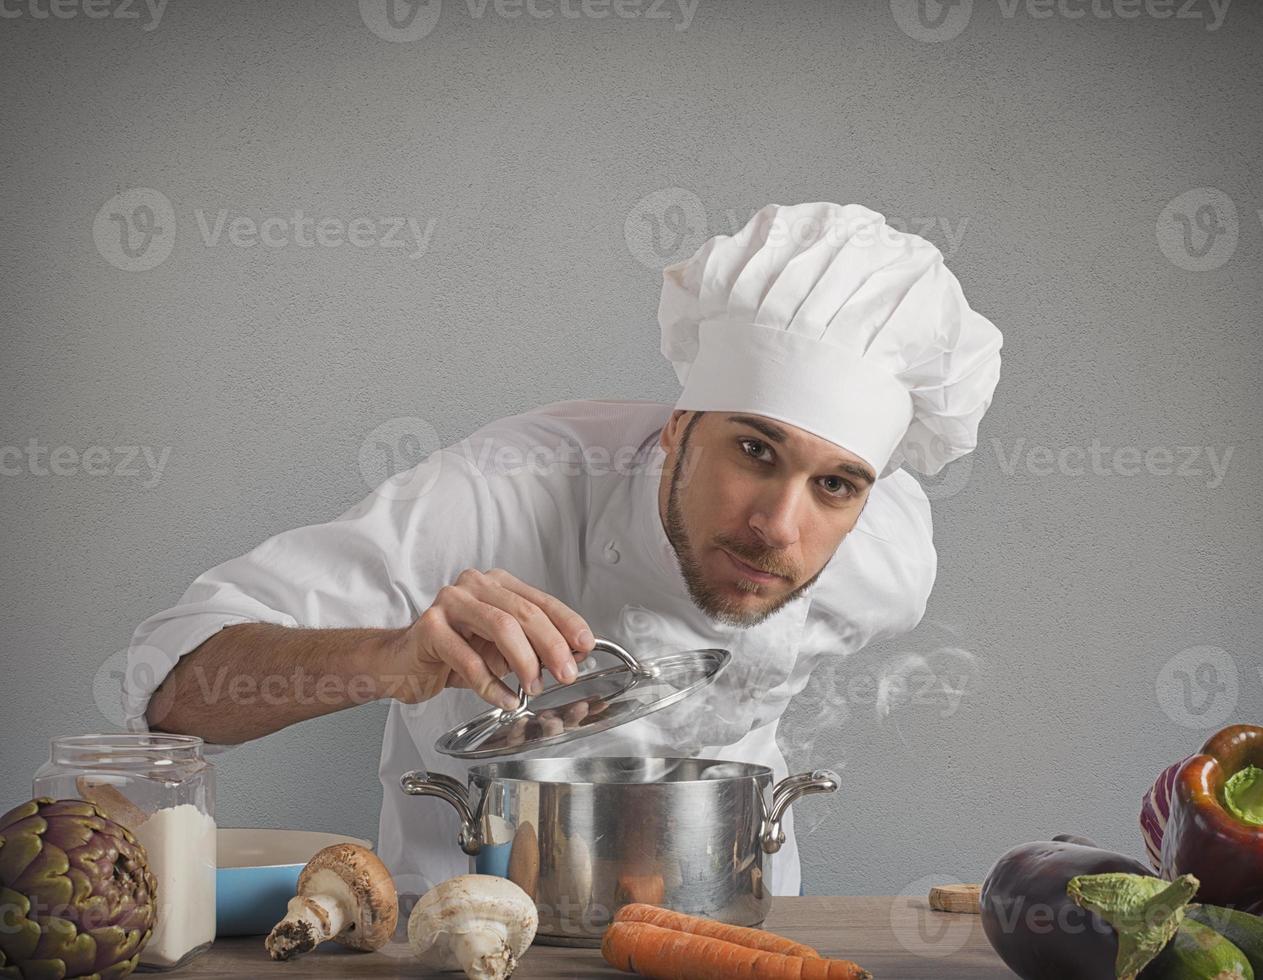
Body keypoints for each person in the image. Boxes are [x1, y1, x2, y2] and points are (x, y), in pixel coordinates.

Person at [123, 201, 1003, 898]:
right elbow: (176, 701)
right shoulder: (498, 490)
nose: (780, 525)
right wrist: (392, 659)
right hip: (463, 930)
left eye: (834, 485)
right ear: (681, 425)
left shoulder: (884, 564)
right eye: (754, 451)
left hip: (731, 937)